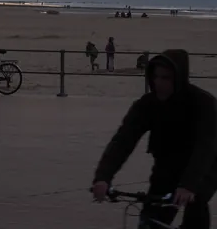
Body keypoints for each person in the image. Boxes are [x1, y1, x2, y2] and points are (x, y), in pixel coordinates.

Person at [92, 50, 217, 229]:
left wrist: (188, 185)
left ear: (179, 78)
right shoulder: (147, 105)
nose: (159, 83)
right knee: (152, 218)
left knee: (195, 203)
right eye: (156, 77)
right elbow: (123, 141)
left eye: (166, 78)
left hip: (206, 166)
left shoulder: (203, 103)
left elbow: (205, 147)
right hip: (167, 165)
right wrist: (103, 177)